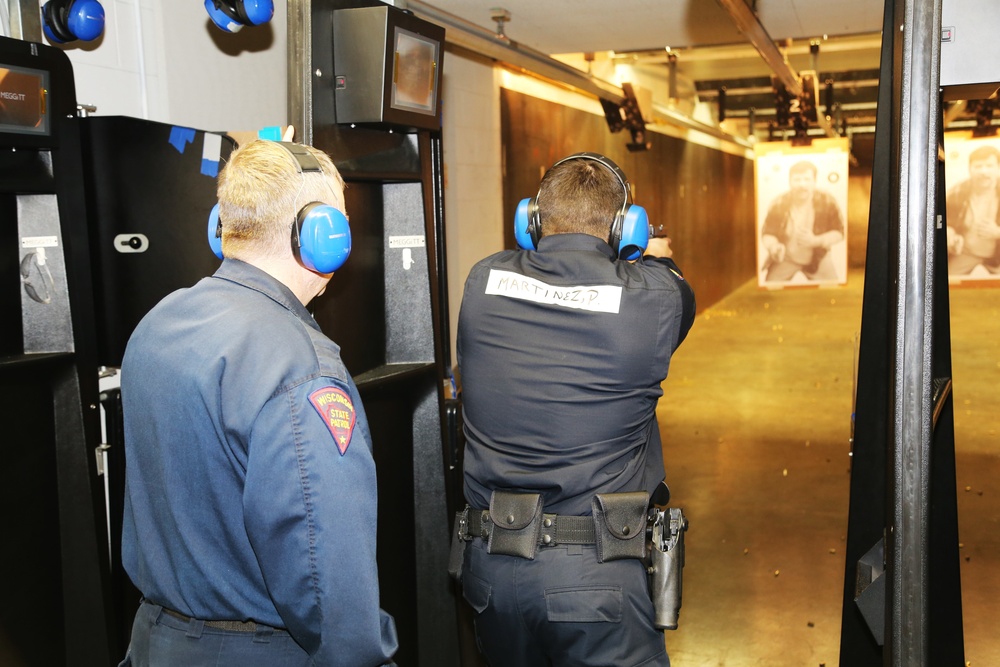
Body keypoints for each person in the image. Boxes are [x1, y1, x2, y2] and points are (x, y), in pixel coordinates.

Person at [118, 138, 398, 666]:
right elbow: (327, 584)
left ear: (220, 224)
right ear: (323, 238)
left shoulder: (159, 323)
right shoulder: (301, 369)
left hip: (156, 641)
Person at [454, 153, 695, 667]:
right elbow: (672, 282)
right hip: (593, 580)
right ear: (625, 228)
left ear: (531, 220)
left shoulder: (482, 281)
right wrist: (650, 254)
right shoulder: (654, 298)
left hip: (492, 574)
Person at [760, 159, 845, 283]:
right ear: (789, 182)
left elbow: (839, 233)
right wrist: (774, 246)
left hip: (818, 257)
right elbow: (768, 233)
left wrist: (816, 241)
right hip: (786, 259)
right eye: (797, 179)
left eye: (806, 179)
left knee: (832, 290)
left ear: (814, 181)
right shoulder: (778, 203)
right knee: (771, 290)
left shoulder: (828, 201)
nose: (802, 185)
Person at [946, 144, 1000, 276]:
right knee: (948, 281)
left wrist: (997, 232)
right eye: (978, 166)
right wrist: (952, 238)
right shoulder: (956, 192)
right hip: (966, 253)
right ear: (970, 169)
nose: (984, 171)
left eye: (989, 166)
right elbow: (945, 224)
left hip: (997, 254)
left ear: (998, 168)